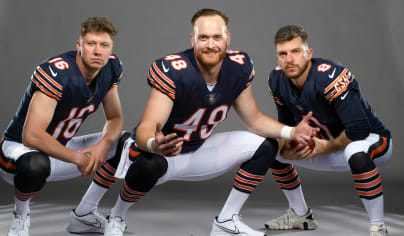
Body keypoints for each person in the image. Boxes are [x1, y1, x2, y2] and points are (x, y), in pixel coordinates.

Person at [70, 9, 318, 236]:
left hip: (199, 150)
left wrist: (291, 131)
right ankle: (116, 217)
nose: (211, 45)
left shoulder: (239, 66)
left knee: (267, 145)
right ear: (193, 40)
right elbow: (147, 127)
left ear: (228, 38)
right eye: (204, 38)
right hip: (162, 154)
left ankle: (226, 220)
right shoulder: (174, 69)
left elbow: (253, 119)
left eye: (217, 38)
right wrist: (156, 145)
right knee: (149, 163)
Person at [0, 17, 129, 236]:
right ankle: (20, 215)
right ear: (79, 45)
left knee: (124, 143)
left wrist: (104, 145)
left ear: (111, 48)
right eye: (91, 44)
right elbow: (32, 136)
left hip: (59, 150)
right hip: (19, 153)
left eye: (104, 45)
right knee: (35, 165)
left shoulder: (110, 67)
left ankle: (84, 214)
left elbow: (114, 117)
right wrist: (77, 158)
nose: (98, 51)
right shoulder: (57, 72)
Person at [264, 25, 392, 236]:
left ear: (309, 53)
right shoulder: (276, 79)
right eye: (283, 54)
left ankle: (378, 226)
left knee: (356, 154)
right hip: (325, 146)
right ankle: (300, 214)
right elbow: (285, 124)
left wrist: (325, 148)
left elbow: (358, 130)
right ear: (277, 57)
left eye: (296, 51)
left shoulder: (330, 74)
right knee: (270, 150)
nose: (289, 59)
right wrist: (288, 145)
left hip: (370, 142)